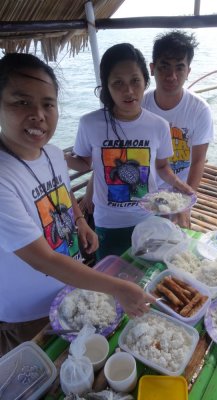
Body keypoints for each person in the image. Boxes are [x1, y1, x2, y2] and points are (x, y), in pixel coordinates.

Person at [0, 53, 154, 356]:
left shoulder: (52, 152)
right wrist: (118, 288)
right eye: (21, 102)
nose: (38, 114)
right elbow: (44, 260)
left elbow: (63, 188)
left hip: (70, 292)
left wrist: (81, 222)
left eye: (47, 103)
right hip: (28, 315)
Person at [65, 43, 193, 260]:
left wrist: (181, 186)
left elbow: (162, 166)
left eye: (135, 80)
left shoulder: (159, 125)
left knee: (149, 273)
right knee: (114, 276)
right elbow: (85, 163)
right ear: (106, 85)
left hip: (149, 217)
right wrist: (58, 157)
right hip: (108, 222)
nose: (129, 91)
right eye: (118, 83)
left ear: (145, 80)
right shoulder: (90, 123)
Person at [142, 30, 214, 228]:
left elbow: (198, 160)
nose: (171, 76)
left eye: (179, 68)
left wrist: (185, 205)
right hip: (146, 190)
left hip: (179, 191)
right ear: (152, 68)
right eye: (164, 67)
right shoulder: (141, 105)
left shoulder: (199, 110)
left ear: (188, 71)